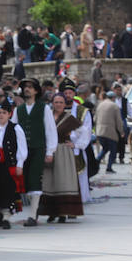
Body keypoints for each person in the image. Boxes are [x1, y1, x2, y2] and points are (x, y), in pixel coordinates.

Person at [15, 78, 58, 226]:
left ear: (36, 91)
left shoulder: (43, 108)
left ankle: (32, 216)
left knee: (34, 179)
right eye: (25, 87)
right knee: (25, 181)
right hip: (22, 150)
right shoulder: (18, 110)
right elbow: (13, 129)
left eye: (30, 87)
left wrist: (50, 151)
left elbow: (50, 130)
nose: (27, 89)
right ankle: (34, 209)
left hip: (38, 148)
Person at [39, 92, 86, 222]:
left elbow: (84, 131)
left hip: (63, 151)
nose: (58, 105)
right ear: (52, 104)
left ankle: (63, 213)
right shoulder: (47, 117)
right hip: (49, 151)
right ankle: (51, 212)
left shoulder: (70, 118)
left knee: (62, 181)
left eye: (61, 102)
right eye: (56, 102)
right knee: (49, 182)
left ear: (65, 104)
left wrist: (76, 145)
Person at [0, 101, 26, 229]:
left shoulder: (15, 128)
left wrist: (20, 164)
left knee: (9, 190)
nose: (1, 115)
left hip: (9, 164)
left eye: (4, 113)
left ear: (9, 114)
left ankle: (7, 215)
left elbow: (22, 147)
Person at [94, 90, 126, 173]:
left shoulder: (100, 105)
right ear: (113, 98)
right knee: (113, 150)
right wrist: (121, 131)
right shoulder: (114, 106)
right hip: (110, 132)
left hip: (100, 131)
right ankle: (109, 167)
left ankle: (96, 161)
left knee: (105, 148)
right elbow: (118, 121)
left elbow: (95, 118)